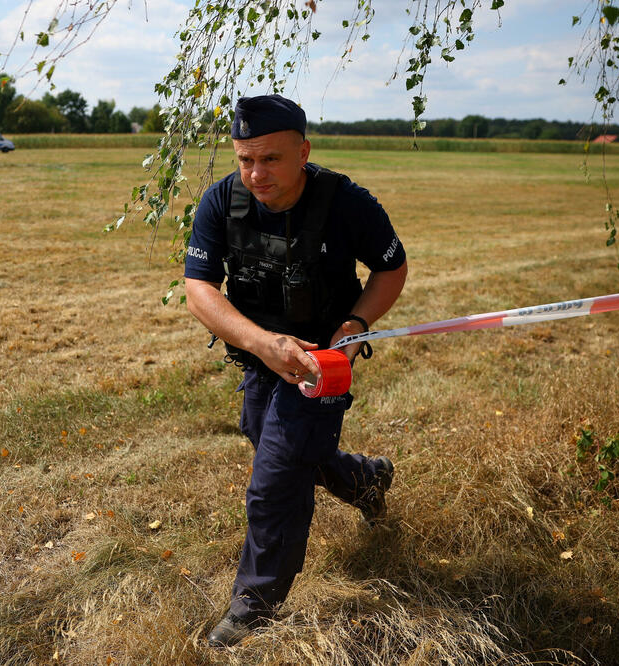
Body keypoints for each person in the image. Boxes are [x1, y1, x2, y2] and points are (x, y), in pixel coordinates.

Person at [183, 94, 408, 647]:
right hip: (262, 353)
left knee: (276, 478)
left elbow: (391, 267)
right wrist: (262, 345)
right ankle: (365, 479)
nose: (255, 174)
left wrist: (355, 325)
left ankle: (254, 606)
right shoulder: (220, 202)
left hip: (321, 363)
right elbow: (199, 288)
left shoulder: (346, 202)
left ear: (303, 151)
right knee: (264, 435)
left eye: (270, 159)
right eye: (244, 159)